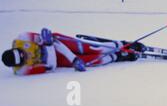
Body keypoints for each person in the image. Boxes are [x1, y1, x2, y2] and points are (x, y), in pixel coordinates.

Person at [1, 28, 144, 76]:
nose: (26, 55)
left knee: (88, 48)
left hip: (59, 44)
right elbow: (51, 66)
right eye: (23, 59)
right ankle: (118, 56)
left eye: (22, 52)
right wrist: (73, 60)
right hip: (56, 58)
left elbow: (53, 40)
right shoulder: (23, 70)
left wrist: (72, 57)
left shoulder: (24, 38)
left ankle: (121, 45)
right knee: (91, 61)